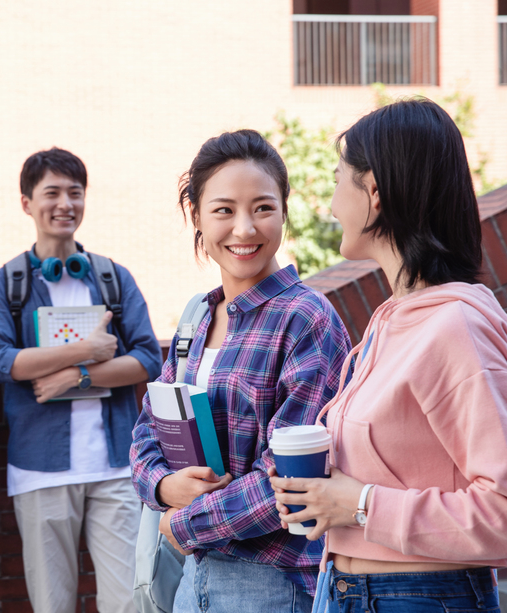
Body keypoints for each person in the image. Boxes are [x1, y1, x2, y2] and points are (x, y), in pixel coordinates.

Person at [269, 99, 507, 612]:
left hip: (419, 597)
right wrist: (328, 499)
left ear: (375, 194)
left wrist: (360, 504)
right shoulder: (394, 319)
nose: (330, 204)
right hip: (346, 589)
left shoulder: (456, 326)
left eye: (339, 180)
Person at [130, 130, 352, 612]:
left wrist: (182, 523)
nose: (245, 229)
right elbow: (149, 427)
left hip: (272, 581)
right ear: (197, 216)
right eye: (224, 210)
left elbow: (288, 473)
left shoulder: (306, 318)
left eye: (263, 208)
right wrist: (164, 486)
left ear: (284, 211)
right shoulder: (197, 316)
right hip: (194, 575)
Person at [0, 147, 162, 613]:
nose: (65, 204)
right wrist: (85, 350)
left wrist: (75, 376)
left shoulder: (112, 278)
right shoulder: (5, 284)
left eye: (74, 193)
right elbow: (1, 361)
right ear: (26, 203)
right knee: (52, 603)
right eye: (51, 193)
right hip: (40, 469)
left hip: (117, 468)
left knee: (129, 602)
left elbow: (148, 359)